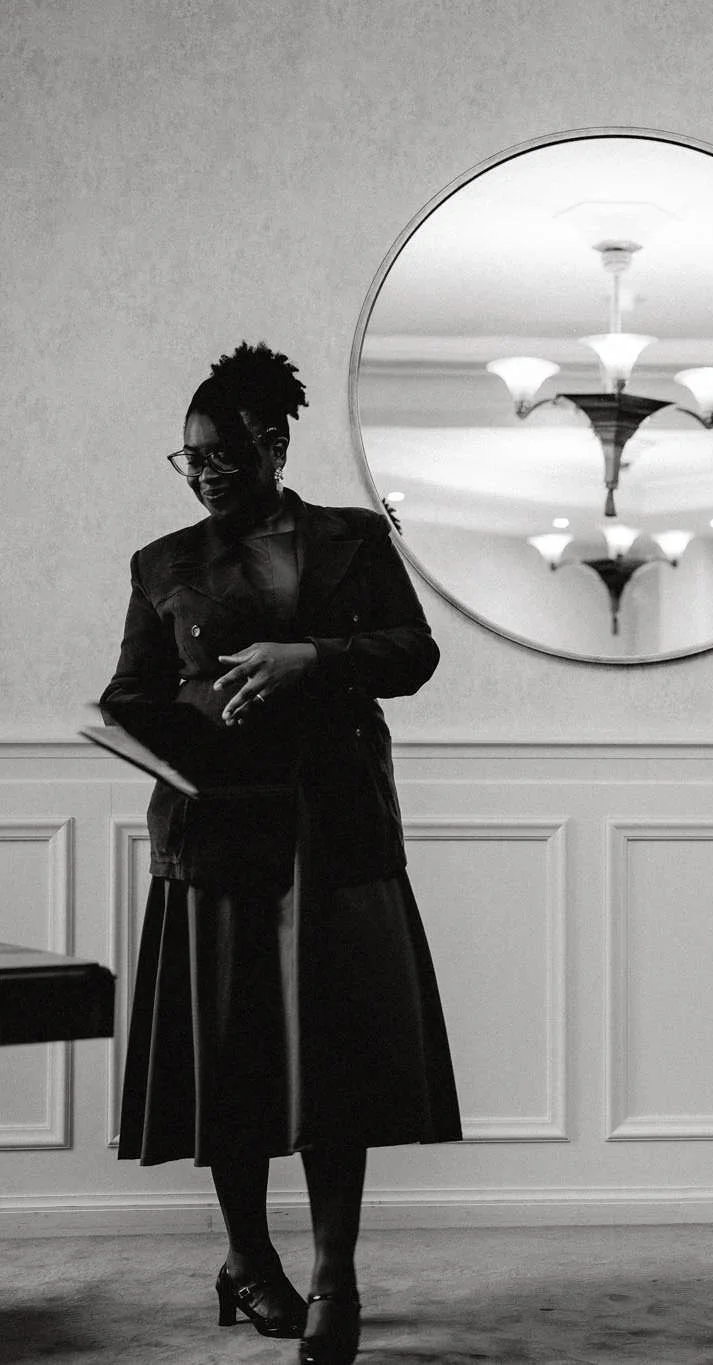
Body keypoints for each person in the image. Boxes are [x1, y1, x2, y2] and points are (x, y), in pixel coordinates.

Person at [103, 342, 462, 1365]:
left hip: (334, 829)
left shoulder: (354, 538)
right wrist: (179, 721)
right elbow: (129, 695)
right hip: (218, 833)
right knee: (236, 1060)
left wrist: (311, 657)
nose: (203, 473)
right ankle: (250, 1261)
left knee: (334, 1064)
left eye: (220, 453)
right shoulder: (162, 564)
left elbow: (414, 653)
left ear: (272, 443)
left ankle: (336, 1278)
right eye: (189, 458)